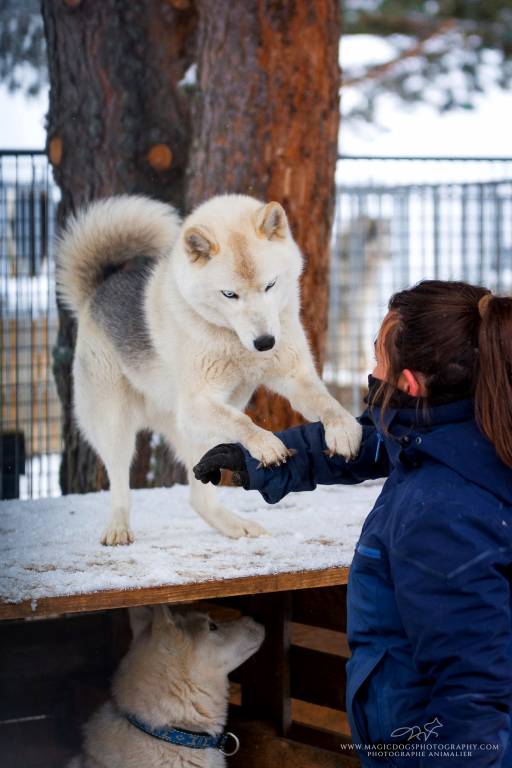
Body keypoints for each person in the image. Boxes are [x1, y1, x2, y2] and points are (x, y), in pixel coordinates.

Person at [193, 280, 512, 767]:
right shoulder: (471, 428)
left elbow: (475, 698)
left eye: (378, 358)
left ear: (408, 384)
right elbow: (371, 441)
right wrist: (262, 457)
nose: (370, 372)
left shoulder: (443, 515)